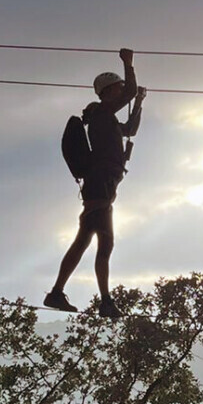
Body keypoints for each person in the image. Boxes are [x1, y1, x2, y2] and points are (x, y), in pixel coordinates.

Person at [45, 48, 145, 319]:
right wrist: (128, 63)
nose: (122, 91)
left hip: (102, 186)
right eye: (118, 88)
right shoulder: (101, 113)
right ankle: (105, 301)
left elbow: (131, 128)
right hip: (100, 185)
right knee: (104, 242)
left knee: (85, 241)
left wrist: (139, 103)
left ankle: (58, 292)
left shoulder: (106, 119)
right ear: (108, 91)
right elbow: (131, 91)